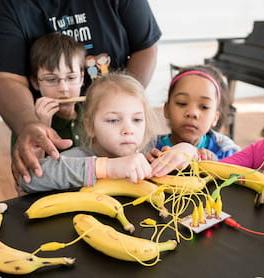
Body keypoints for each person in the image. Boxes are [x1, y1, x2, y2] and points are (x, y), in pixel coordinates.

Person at [0, 0, 161, 185]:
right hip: (44, 125)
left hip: (113, 125)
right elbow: (5, 78)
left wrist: (119, 112)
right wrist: (31, 125)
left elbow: (145, 46)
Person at [20, 73, 198, 192]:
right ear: (90, 127)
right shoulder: (78, 158)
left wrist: (187, 150)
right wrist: (108, 168)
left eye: (137, 120)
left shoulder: (150, 151)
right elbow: (28, 179)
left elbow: (191, 160)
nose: (128, 130)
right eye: (113, 120)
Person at [155, 65, 240, 164]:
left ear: (215, 118)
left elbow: (241, 176)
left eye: (204, 107)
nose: (192, 113)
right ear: (167, 109)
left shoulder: (225, 151)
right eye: (182, 103)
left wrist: (216, 168)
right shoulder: (149, 148)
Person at [27, 33, 86, 147]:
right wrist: (42, 126)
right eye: (51, 79)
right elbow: (30, 164)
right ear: (35, 82)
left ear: (81, 78)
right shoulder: (27, 123)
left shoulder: (93, 117)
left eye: (71, 78)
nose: (63, 88)